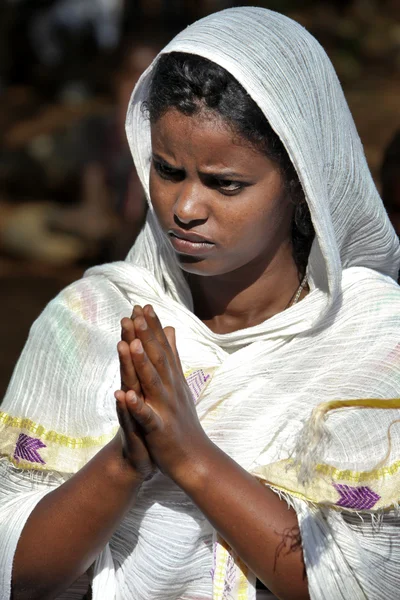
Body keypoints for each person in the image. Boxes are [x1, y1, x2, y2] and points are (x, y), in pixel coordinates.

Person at [1, 7, 400, 600]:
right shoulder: (88, 318)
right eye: (167, 170)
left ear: (299, 182)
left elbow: (364, 583)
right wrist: (125, 461)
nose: (185, 207)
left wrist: (189, 454)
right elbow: (18, 572)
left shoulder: (369, 339)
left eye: (224, 183)